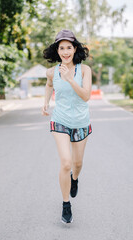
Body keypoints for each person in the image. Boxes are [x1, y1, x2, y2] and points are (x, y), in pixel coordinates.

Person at [42, 29, 92, 224]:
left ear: (75, 48)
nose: (65, 52)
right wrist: (45, 102)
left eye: (68, 47)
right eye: (61, 48)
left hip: (81, 122)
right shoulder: (52, 72)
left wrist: (70, 79)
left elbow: (86, 96)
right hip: (60, 120)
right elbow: (48, 85)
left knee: (77, 165)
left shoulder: (84, 70)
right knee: (66, 162)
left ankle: (75, 178)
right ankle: (65, 205)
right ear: (57, 50)